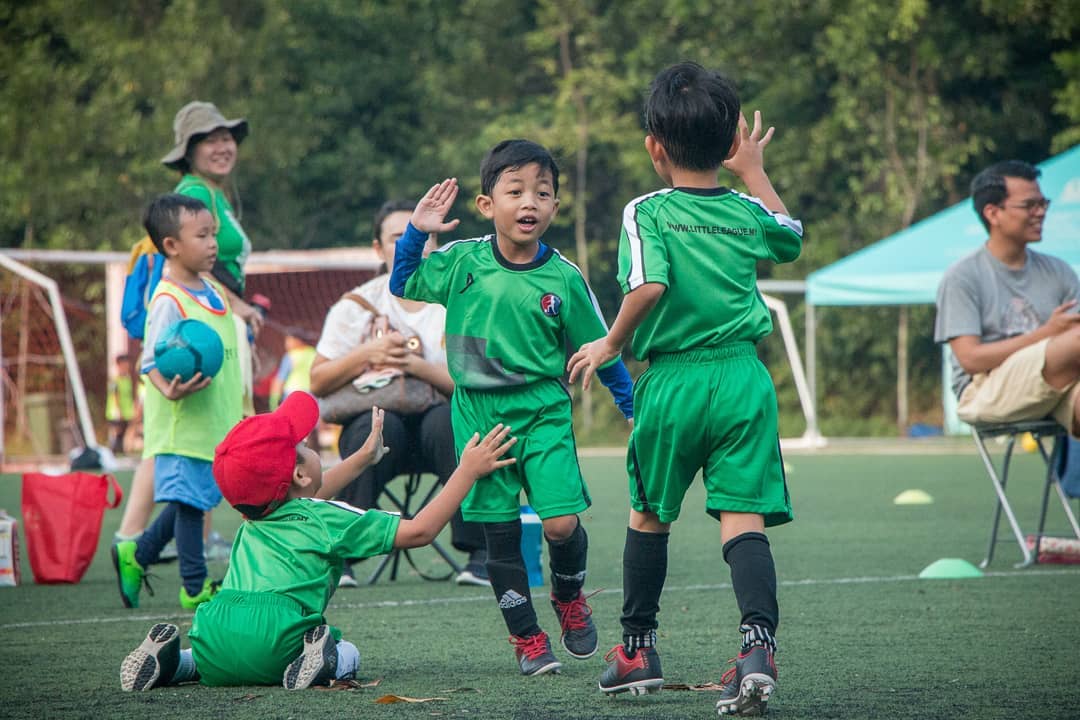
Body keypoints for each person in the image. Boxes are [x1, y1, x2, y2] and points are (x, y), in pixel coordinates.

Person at [566, 63, 803, 715]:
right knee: (742, 517)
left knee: (649, 513)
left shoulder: (646, 210)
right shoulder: (743, 210)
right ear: (729, 143)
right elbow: (790, 240)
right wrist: (754, 172)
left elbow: (649, 285)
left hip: (673, 379)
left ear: (655, 147)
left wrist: (610, 344)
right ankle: (757, 646)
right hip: (741, 378)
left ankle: (637, 651)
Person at [389, 140, 635, 677]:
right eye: (516, 191)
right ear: (486, 205)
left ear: (554, 206)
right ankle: (527, 638)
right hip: (479, 418)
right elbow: (403, 280)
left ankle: (569, 597)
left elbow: (602, 347)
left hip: (543, 412)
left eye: (543, 193)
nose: (530, 203)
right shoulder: (459, 263)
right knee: (500, 535)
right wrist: (417, 230)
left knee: (562, 525)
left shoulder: (564, 278)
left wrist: (631, 406)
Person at [119, 394, 516, 691]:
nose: (311, 447)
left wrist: (362, 458)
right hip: (280, 635)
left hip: (213, 633)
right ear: (300, 475)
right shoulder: (323, 519)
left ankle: (173, 664)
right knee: (350, 653)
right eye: (305, 447)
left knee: (209, 662)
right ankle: (322, 660)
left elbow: (308, 493)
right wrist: (466, 471)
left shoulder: (251, 520)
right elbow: (420, 531)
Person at [310, 200, 489, 587]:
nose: (414, 244)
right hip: (377, 425)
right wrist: (368, 354)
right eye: (400, 237)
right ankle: (345, 554)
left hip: (437, 427)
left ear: (435, 244)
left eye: (423, 236)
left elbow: (477, 384)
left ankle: (480, 554)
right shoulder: (356, 305)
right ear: (378, 249)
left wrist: (419, 368)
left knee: (451, 423)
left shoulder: (457, 303)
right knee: (373, 427)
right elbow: (318, 382)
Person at [114, 101, 259, 557]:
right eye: (208, 140)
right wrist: (236, 305)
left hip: (218, 317)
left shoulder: (215, 192)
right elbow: (193, 269)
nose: (222, 146)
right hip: (203, 318)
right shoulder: (195, 193)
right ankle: (133, 535)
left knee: (204, 432)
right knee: (177, 438)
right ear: (188, 152)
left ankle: (167, 534)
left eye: (226, 137)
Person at [111, 193, 244, 610]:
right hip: (182, 420)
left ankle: (139, 552)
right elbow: (150, 359)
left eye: (214, 234)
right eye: (202, 235)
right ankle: (194, 585)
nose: (212, 244)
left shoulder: (212, 287)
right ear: (171, 245)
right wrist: (166, 388)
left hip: (216, 419)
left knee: (201, 496)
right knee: (188, 501)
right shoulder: (168, 299)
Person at [935, 159, 1080, 436]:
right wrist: (1046, 334)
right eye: (1029, 206)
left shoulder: (1059, 272)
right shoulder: (962, 277)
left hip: (1054, 386)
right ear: (993, 213)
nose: (1040, 213)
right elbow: (970, 359)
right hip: (985, 389)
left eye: (1043, 204)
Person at [106, 354, 136, 454]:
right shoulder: (115, 380)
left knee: (123, 433)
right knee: (116, 432)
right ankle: (112, 451)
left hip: (127, 411)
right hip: (116, 412)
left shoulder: (128, 379)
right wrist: (119, 411)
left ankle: (121, 451)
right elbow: (115, 396)